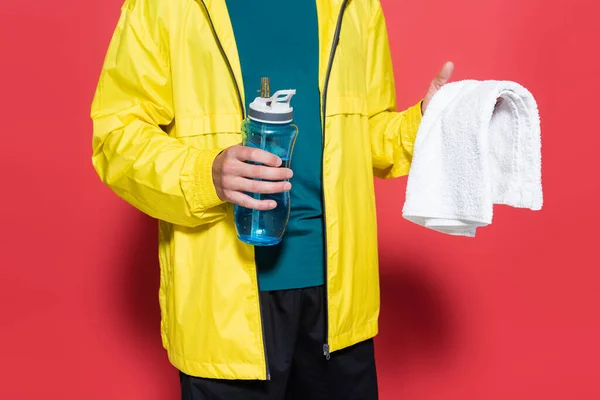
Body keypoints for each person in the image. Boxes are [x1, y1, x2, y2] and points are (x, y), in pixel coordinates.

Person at [91, 0, 454, 398]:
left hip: (339, 300)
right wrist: (205, 173)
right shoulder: (165, 6)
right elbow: (117, 138)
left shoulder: (357, 6)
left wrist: (427, 120)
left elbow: (363, 134)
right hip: (223, 308)